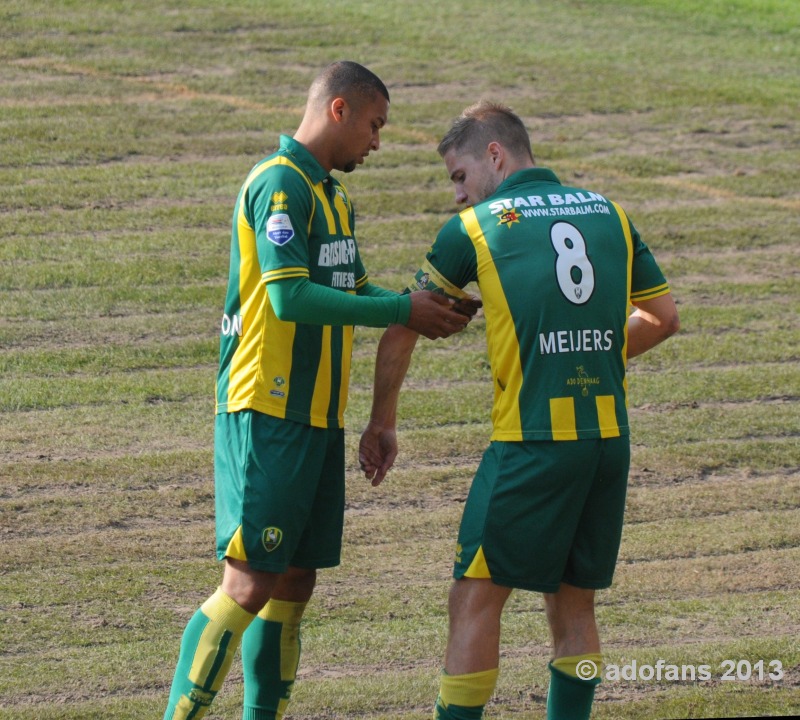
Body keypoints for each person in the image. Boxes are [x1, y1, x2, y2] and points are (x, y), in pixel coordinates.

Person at [162, 61, 477, 720]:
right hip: (266, 410)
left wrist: (420, 306)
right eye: (374, 124)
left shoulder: (332, 196)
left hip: (314, 420)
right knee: (249, 582)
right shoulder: (281, 185)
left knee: (296, 581)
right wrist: (400, 313)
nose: (377, 142)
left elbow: (350, 288)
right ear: (340, 110)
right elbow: (286, 297)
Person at [359, 101, 680, 720]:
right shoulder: (609, 212)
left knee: (474, 598)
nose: (458, 195)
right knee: (574, 606)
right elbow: (663, 318)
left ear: (495, 155)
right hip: (608, 442)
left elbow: (402, 328)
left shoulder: (476, 228)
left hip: (530, 444)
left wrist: (382, 422)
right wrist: (593, 354)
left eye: (459, 177)